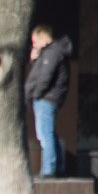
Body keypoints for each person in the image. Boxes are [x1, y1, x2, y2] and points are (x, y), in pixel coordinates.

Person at [24, 24, 73, 177]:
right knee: (49, 133)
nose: (34, 46)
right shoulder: (49, 53)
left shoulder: (52, 54)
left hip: (46, 98)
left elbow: (45, 76)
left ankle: (48, 169)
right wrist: (34, 61)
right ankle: (56, 166)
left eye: (35, 42)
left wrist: (36, 94)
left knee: (45, 134)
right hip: (47, 97)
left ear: (43, 38)